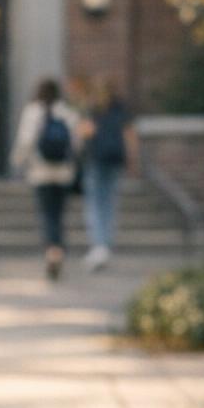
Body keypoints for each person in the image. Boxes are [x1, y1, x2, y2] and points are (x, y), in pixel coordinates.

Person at [9, 77, 83, 280]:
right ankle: (58, 250)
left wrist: (17, 162)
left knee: (47, 214)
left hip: (41, 172)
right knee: (58, 215)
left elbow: (25, 141)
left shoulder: (33, 112)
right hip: (63, 172)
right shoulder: (67, 112)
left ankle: (52, 251)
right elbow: (76, 143)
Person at [80, 75, 136, 270]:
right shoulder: (120, 109)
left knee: (95, 204)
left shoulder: (93, 110)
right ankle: (105, 244)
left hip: (96, 160)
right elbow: (129, 136)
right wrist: (132, 160)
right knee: (109, 203)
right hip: (115, 160)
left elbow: (85, 133)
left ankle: (99, 245)